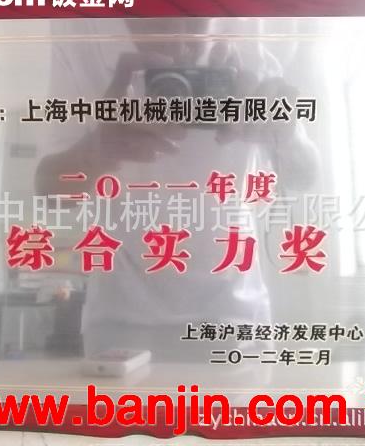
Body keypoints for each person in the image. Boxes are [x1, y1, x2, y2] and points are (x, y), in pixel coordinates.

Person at [35, 18, 319, 363]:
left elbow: (304, 177)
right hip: (123, 322)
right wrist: (98, 150)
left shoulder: (253, 25)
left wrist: (287, 134)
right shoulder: (80, 23)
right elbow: (49, 190)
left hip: (236, 320)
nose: (184, 45)